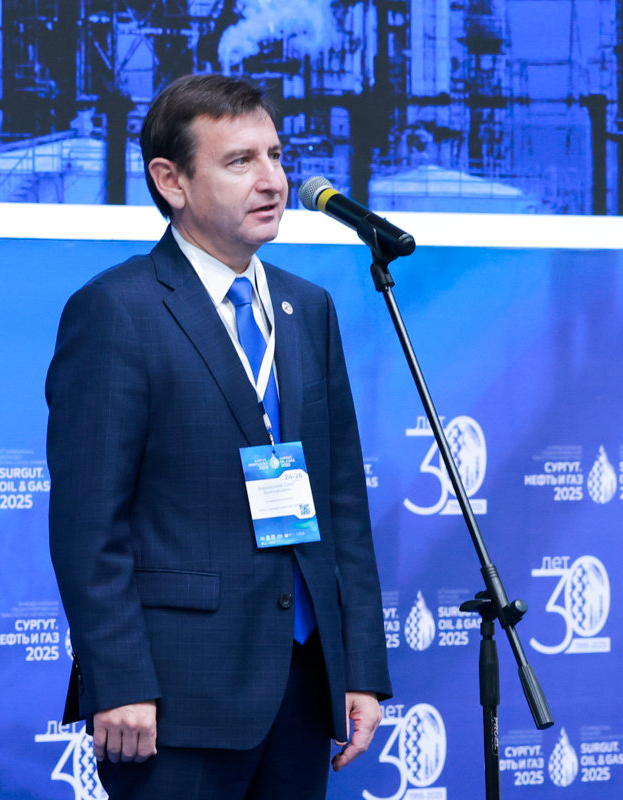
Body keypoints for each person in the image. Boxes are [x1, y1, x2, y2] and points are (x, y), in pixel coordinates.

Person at [46, 73, 392, 799]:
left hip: (303, 684)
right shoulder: (118, 310)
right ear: (170, 181)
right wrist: (120, 680)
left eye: (275, 155)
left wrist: (359, 668)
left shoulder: (308, 307)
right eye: (240, 161)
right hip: (175, 696)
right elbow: (88, 525)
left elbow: (341, 504)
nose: (273, 180)